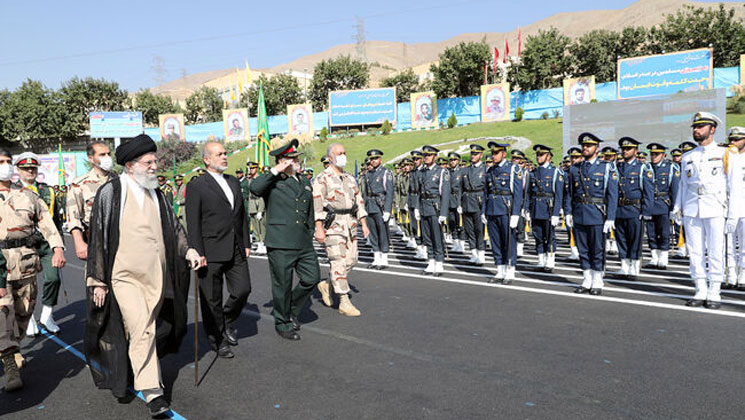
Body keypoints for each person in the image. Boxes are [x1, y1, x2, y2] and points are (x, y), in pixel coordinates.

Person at [84, 135, 202, 416]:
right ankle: (153, 393)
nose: (154, 166)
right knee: (143, 327)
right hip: (124, 276)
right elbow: (99, 237)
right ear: (130, 165)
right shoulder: (111, 193)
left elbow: (174, 228)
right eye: (148, 162)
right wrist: (98, 280)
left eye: (154, 161)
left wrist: (189, 252)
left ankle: (131, 365)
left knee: (150, 328)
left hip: (157, 275)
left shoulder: (157, 193)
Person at [0, 148, 66, 392]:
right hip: (0, 265)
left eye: (8, 161)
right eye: (1, 162)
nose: (5, 166)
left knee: (23, 312)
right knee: (3, 314)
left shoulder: (29, 196)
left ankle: (13, 346)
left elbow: (47, 224)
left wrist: (58, 248)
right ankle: (10, 363)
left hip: (26, 262)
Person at [249, 139, 320, 340]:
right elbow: (255, 187)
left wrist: (312, 230)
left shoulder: (304, 181)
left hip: (303, 241)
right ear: (283, 161)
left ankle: (290, 309)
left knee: (311, 278)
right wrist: (275, 170)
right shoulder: (273, 180)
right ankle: (282, 322)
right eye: (292, 158)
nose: (297, 161)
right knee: (282, 285)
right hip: (280, 242)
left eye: (296, 158)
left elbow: (309, 210)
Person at [186, 142, 252, 358]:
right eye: (219, 154)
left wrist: (246, 243)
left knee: (243, 289)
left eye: (225, 153)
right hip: (210, 250)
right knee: (211, 299)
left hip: (235, 248)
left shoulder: (232, 181)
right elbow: (192, 221)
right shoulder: (197, 185)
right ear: (207, 159)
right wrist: (197, 250)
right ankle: (218, 340)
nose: (224, 157)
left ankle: (226, 320)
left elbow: (240, 215)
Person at [673, 112, 730, 309]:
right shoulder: (688, 156)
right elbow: (683, 184)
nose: (696, 130)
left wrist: (732, 210)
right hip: (691, 208)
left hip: (715, 207)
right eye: (695, 127)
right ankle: (700, 288)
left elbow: (731, 185)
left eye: (701, 127)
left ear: (712, 129)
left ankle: (714, 291)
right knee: (695, 252)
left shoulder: (725, 153)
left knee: (715, 251)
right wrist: (678, 207)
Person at [313, 143, 370, 316]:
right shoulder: (322, 178)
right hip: (333, 225)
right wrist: (319, 229)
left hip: (350, 224)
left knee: (351, 259)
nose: (343, 156)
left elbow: (359, 201)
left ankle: (327, 284)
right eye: (339, 153)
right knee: (337, 261)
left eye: (344, 153)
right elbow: (317, 206)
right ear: (330, 157)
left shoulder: (350, 178)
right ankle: (344, 301)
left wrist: (364, 223)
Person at [13, 153, 65, 336]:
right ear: (18, 170)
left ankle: (47, 315)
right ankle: (29, 319)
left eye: (33, 168)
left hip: (46, 244)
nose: (30, 171)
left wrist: (60, 247)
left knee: (53, 279)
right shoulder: (11, 191)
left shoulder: (47, 191)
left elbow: (56, 221)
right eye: (26, 169)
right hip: (24, 246)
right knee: (28, 286)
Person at [565, 133, 619, 295]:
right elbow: (570, 193)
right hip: (580, 213)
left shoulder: (607, 167)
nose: (585, 148)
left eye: (589, 146)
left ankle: (597, 279)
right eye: (583, 146)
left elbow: (612, 194)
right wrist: (568, 212)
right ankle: (586, 278)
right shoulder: (575, 169)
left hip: (597, 213)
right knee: (583, 248)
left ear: (597, 148)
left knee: (597, 248)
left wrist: (610, 217)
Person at [613, 137, 654, 279]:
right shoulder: (617, 167)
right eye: (623, 149)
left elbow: (648, 191)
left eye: (628, 149)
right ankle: (624, 266)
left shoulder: (642, 168)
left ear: (635, 151)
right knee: (621, 239)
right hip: (619, 209)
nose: (625, 151)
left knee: (635, 239)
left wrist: (646, 210)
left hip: (635, 209)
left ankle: (634, 267)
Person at [483, 142, 523, 283]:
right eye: (492, 153)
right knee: (496, 242)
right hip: (492, 209)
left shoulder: (513, 169)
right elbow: (486, 193)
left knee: (508, 242)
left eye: (496, 153)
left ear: (504, 154)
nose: (493, 156)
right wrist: (484, 211)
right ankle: (500, 269)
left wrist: (516, 214)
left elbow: (518, 194)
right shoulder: (490, 171)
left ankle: (510, 270)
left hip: (506, 210)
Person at [67, 141, 113, 262]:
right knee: (97, 279)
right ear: (91, 159)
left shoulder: (120, 181)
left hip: (120, 241)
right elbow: (73, 216)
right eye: (102, 155)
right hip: (95, 241)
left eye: (109, 154)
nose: (107, 158)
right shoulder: (80, 184)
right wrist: (79, 242)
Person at [527, 145, 563, 272]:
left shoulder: (555, 172)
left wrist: (556, 213)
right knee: (537, 234)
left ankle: (550, 259)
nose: (538, 157)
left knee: (549, 235)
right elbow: (528, 194)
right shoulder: (533, 173)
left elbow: (559, 195)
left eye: (541, 155)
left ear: (548, 156)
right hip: (536, 207)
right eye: (537, 155)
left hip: (549, 208)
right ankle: (541, 259)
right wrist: (526, 209)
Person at [644, 143, 679, 270]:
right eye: (652, 154)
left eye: (656, 154)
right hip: (649, 205)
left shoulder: (670, 168)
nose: (653, 156)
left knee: (664, 232)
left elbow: (675, 189)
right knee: (651, 232)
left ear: (663, 155)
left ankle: (663, 258)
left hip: (663, 204)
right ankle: (654, 257)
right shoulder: (646, 167)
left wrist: (674, 208)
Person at [416, 146, 450, 276]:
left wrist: (443, 213)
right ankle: (431, 261)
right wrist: (418, 208)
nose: (426, 158)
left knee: (437, 237)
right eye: (425, 156)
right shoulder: (422, 172)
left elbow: (445, 193)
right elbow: (419, 192)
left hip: (435, 206)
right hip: (424, 206)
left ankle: (439, 262)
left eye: (429, 155)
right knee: (427, 236)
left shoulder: (442, 172)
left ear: (434, 157)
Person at [362, 149, 393, 269]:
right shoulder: (368, 174)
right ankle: (376, 257)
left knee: (382, 232)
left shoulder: (386, 173)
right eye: (372, 159)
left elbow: (389, 192)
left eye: (376, 158)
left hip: (381, 205)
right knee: (373, 232)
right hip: (370, 205)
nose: (373, 161)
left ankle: (384, 258)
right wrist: (364, 206)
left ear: (380, 159)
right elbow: (365, 192)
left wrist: (387, 210)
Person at [725, 127, 745, 289]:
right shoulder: (725, 157)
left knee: (744, 243)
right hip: (727, 205)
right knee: (728, 244)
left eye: (737, 139)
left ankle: (743, 274)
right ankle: (731, 275)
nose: (733, 142)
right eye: (731, 139)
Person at [461, 144, 487, 265]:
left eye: (476, 154)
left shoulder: (485, 169)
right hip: (466, 201)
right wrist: (459, 204)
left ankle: (481, 253)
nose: (473, 156)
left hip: (479, 201)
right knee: (469, 230)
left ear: (481, 155)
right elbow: (460, 188)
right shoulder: (465, 170)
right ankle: (473, 253)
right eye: (472, 153)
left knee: (479, 230)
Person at [242, 162, 266, 255]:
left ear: (256, 168)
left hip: (259, 203)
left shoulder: (260, 179)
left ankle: (263, 243)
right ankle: (259, 243)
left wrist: (261, 209)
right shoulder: (250, 180)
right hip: (252, 204)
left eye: (252, 168)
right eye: (250, 168)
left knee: (261, 226)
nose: (250, 170)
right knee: (255, 226)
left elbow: (261, 195)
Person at [564, 146, 584, 261]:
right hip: (573, 206)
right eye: (572, 158)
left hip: (585, 206)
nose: (573, 160)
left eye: (576, 157)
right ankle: (574, 251)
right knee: (571, 230)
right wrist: (567, 210)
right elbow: (568, 194)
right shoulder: (568, 172)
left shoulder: (581, 171)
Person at [406, 151, 426, 259]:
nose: (415, 161)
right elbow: (409, 189)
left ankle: (425, 249)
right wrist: (407, 202)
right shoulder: (412, 172)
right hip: (412, 201)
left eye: (417, 159)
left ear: (421, 159)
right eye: (413, 159)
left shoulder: (424, 171)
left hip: (421, 201)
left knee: (423, 227)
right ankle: (419, 249)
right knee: (414, 226)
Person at [446, 152, 464, 253]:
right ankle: (455, 242)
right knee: (451, 223)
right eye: (451, 160)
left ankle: (461, 244)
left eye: (454, 160)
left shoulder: (461, 172)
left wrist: (460, 203)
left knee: (460, 224)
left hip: (458, 200)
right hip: (449, 200)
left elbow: (462, 188)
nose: (452, 162)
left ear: (458, 161)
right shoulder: (447, 172)